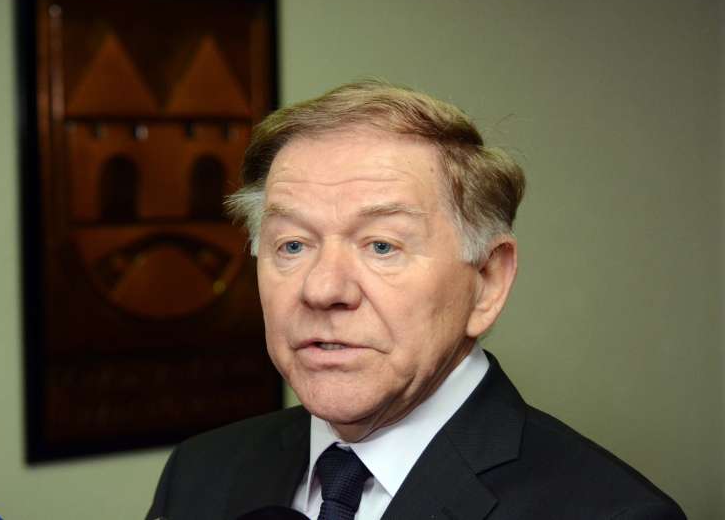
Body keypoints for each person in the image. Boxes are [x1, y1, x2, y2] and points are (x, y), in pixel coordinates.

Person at [145, 81, 685, 520]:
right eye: (292, 245)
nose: (323, 289)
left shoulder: (612, 513)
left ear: (488, 282)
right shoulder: (200, 473)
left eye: (381, 245)